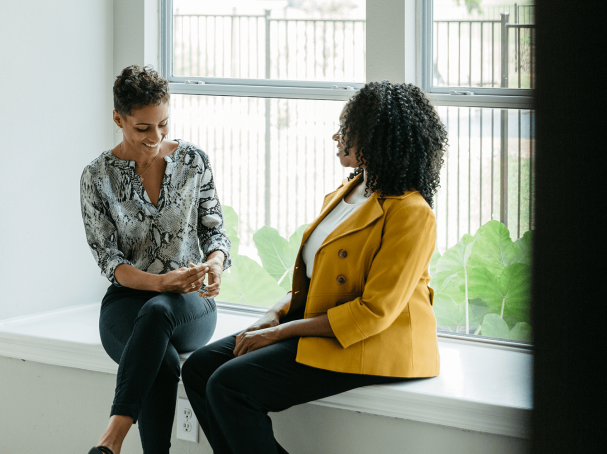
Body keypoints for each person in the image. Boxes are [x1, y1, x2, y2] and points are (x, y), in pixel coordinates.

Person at [181, 80, 448, 454]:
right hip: (324, 323)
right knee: (199, 369)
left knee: (228, 384)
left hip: (374, 342)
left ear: (378, 138)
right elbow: (313, 280)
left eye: (348, 130)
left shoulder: (411, 213)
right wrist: (272, 316)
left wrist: (279, 334)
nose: (337, 136)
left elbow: (374, 313)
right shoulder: (348, 191)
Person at [80, 65, 231, 454]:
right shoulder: (97, 177)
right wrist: (161, 282)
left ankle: (111, 439)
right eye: (142, 128)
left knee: (160, 311)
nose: (156, 137)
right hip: (126, 304)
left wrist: (213, 264)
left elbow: (215, 232)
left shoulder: (194, 161)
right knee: (161, 360)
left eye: (163, 124)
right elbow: (109, 261)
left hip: (190, 304)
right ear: (118, 119)